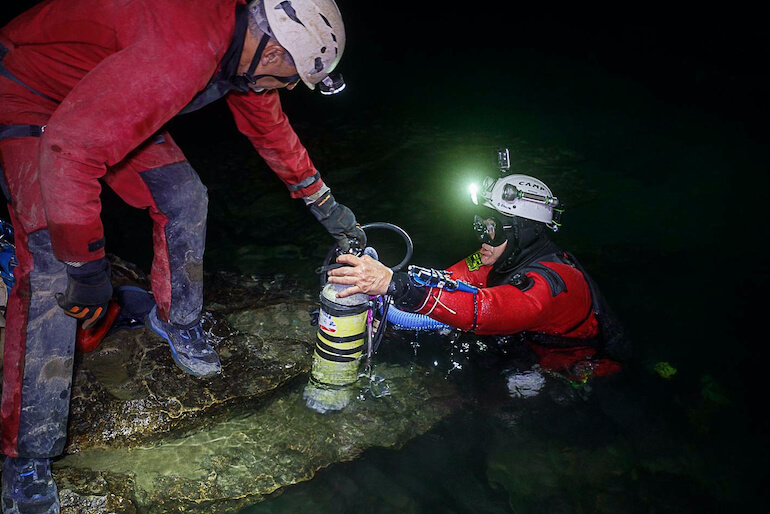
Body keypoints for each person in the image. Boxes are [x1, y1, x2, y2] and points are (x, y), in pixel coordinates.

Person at [0, 0, 364, 512]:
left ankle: (179, 320)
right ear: (272, 50)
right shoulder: (184, 51)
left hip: (106, 93)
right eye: (289, 78)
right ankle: (27, 457)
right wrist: (87, 267)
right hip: (33, 93)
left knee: (184, 197)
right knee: (52, 270)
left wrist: (325, 205)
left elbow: (271, 130)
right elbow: (68, 149)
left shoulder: (245, 51)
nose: (284, 88)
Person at [327, 172, 628, 389]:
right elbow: (449, 280)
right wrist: (390, 295)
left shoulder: (553, 283)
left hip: (572, 366)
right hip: (526, 341)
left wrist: (396, 285)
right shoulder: (498, 256)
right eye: (480, 225)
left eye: (492, 228)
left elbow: (487, 311)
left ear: (522, 232)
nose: (483, 237)